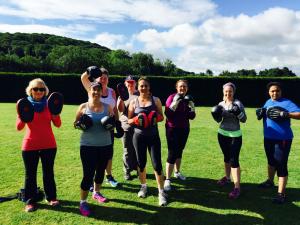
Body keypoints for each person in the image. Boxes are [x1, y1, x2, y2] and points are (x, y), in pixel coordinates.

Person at [16, 78, 61, 212]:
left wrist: (55, 114)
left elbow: (58, 124)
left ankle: (51, 197)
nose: (39, 91)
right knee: (30, 175)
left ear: (45, 91)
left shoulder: (50, 105)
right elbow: (19, 127)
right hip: (30, 145)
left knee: (48, 173)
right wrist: (22, 115)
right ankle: (30, 201)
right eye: (36, 89)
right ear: (30, 90)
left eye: (42, 89)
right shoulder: (24, 105)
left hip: (49, 144)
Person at [256, 81, 300, 204]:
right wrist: (260, 113)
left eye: (277, 90)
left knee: (281, 165)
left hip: (283, 139)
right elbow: (265, 113)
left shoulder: (287, 102)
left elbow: (299, 113)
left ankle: (281, 194)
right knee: (271, 161)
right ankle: (270, 181)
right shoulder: (268, 102)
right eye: (272, 91)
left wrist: (287, 114)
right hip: (268, 137)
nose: (274, 93)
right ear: (269, 92)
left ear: (281, 91)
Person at [75, 82, 114, 216]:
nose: (96, 92)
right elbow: (75, 124)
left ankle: (96, 193)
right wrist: (81, 124)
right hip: (87, 146)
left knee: (100, 172)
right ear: (89, 91)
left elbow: (114, 123)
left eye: (98, 90)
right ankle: (83, 202)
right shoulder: (83, 107)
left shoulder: (108, 107)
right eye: (94, 90)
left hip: (105, 145)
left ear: (101, 92)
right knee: (88, 175)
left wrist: (111, 125)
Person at [127, 76, 167, 206]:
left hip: (153, 136)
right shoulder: (134, 102)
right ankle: (143, 186)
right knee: (141, 163)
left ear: (149, 87)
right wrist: (135, 120)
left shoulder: (156, 100)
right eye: (141, 86)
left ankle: (161, 192)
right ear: (138, 88)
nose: (143, 88)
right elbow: (128, 120)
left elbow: (162, 117)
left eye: (145, 86)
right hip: (138, 137)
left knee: (157, 165)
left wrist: (155, 118)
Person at [81, 67, 119, 187]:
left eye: (105, 78)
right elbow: (83, 78)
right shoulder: (91, 88)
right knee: (93, 155)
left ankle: (108, 176)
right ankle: (92, 180)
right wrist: (89, 71)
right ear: (96, 78)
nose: (102, 80)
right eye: (100, 78)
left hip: (108, 127)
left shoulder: (112, 91)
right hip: (92, 127)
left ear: (108, 79)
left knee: (108, 154)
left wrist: (118, 124)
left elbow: (114, 108)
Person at [211, 82, 247, 199]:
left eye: (230, 91)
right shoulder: (221, 103)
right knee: (226, 157)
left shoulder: (238, 103)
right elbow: (218, 120)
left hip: (235, 135)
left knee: (234, 160)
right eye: (226, 91)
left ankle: (237, 188)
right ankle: (227, 178)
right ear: (223, 92)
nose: (228, 93)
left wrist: (238, 112)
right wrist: (216, 115)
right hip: (222, 134)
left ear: (233, 92)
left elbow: (244, 120)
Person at [163, 80, 196, 191]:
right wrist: (175, 103)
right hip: (172, 129)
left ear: (187, 88)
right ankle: (167, 179)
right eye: (180, 86)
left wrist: (192, 106)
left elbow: (192, 116)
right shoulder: (171, 97)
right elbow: (167, 114)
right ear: (177, 87)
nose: (182, 89)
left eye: (184, 87)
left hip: (184, 129)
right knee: (172, 153)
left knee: (180, 151)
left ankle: (177, 172)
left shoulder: (188, 99)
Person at [117, 75, 138, 180]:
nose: (130, 84)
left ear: (135, 83)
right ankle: (127, 171)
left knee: (138, 149)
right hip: (126, 126)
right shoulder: (122, 95)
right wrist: (121, 98)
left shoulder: (140, 94)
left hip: (139, 127)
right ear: (125, 84)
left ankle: (139, 169)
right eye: (128, 82)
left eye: (132, 82)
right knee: (127, 150)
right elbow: (120, 110)